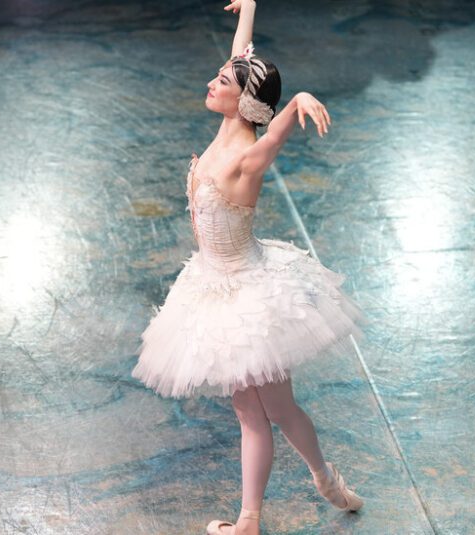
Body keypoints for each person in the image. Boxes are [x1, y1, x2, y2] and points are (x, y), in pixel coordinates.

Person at [130, 1, 367, 533]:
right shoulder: (228, 128)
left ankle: (322, 481)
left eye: (223, 82)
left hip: (251, 296)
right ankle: (250, 519)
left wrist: (298, 99)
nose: (212, 83)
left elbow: (277, 131)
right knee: (249, 414)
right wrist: (250, 11)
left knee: (278, 409)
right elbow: (243, 59)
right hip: (211, 288)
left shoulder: (246, 158)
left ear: (245, 103)